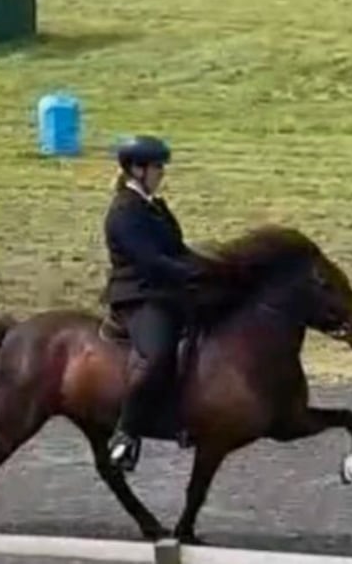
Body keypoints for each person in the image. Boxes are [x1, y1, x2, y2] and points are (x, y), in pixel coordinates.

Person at [102, 135, 209, 470]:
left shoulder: (154, 206)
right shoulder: (124, 212)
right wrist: (189, 274)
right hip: (139, 296)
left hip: (166, 290)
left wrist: (210, 268)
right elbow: (150, 261)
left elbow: (176, 250)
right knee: (158, 353)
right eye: (157, 167)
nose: (162, 172)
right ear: (137, 169)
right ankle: (126, 434)